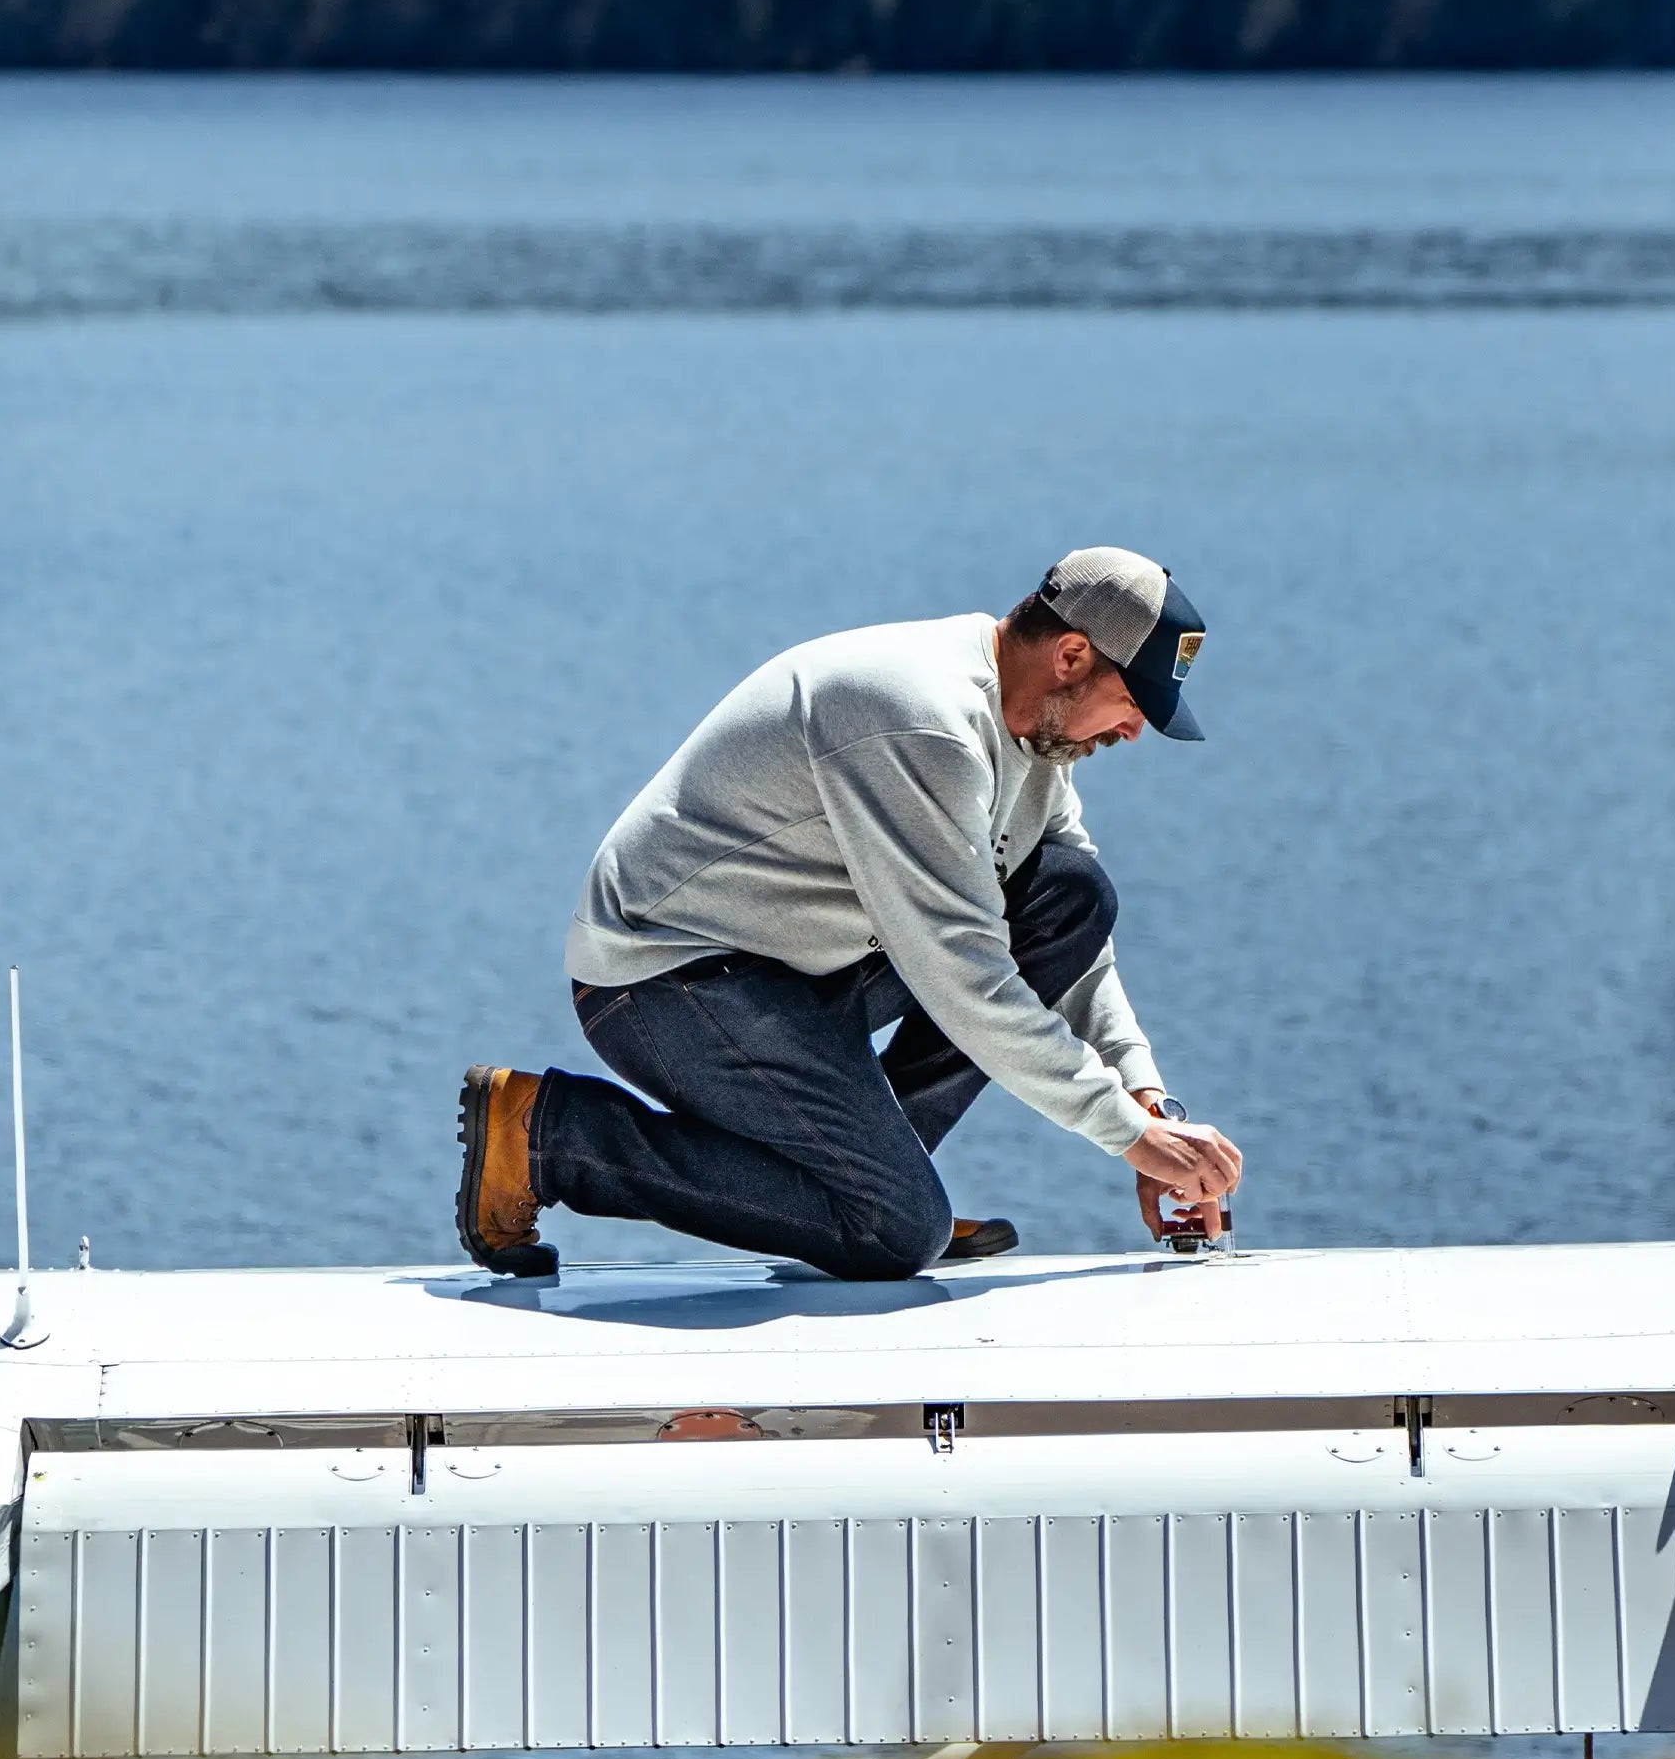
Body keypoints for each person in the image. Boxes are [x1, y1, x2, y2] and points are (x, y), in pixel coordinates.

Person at [455, 546, 1244, 1280]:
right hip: (668, 979)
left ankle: (866, 1179)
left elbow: (1070, 941)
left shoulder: (1035, 739)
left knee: (1070, 893)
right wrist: (1128, 1137)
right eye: (1133, 700)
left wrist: (1147, 1100)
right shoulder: (919, 715)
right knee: (894, 1233)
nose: (1135, 729)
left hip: (800, 973)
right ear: (1071, 656)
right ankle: (551, 1139)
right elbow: (960, 967)